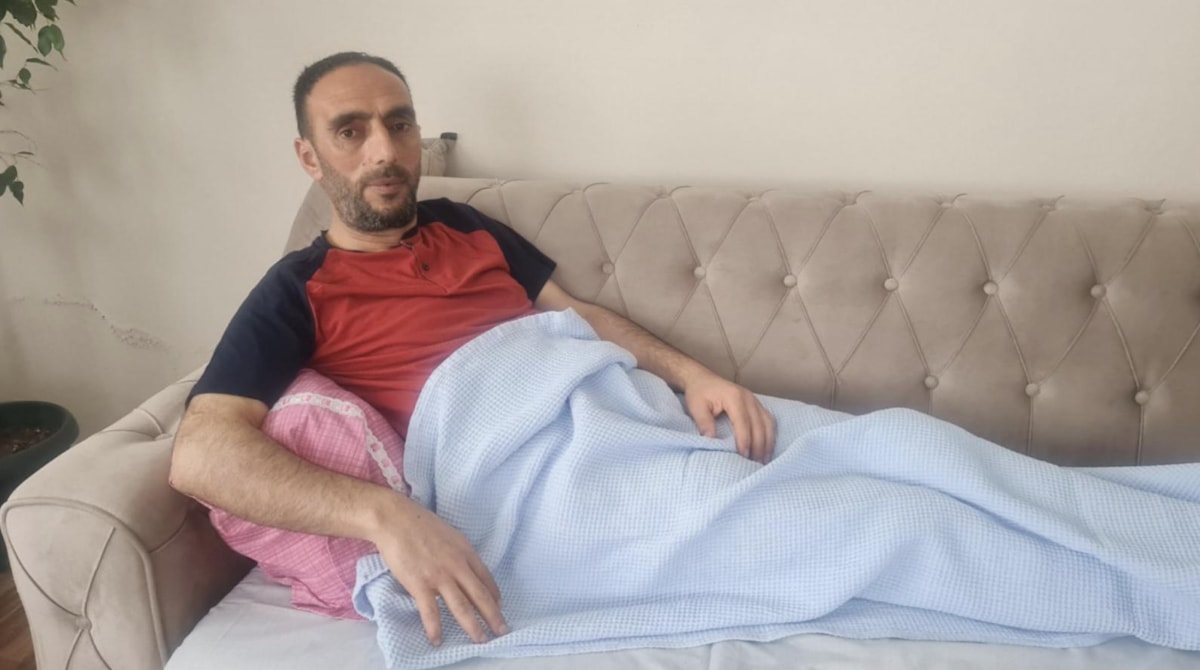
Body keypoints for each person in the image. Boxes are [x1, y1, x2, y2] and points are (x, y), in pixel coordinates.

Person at [168, 52, 776, 649]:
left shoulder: (464, 223)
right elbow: (199, 454)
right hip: (530, 483)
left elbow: (576, 316)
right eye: (350, 132)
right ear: (309, 156)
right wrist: (383, 515)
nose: (384, 152)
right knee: (772, 523)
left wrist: (694, 375)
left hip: (617, 414)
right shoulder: (295, 289)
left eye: (399, 124)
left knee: (796, 450)